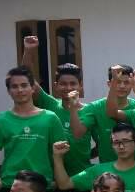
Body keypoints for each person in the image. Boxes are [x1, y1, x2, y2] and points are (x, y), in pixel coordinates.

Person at [0, 66, 67, 192]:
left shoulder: (50, 118)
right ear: (9, 91)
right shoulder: (1, 120)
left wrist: (58, 179)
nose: (20, 90)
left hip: (42, 185)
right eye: (14, 86)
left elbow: (60, 153)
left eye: (24, 85)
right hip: (11, 186)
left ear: (32, 88)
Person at [22, 35, 90, 177]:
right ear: (56, 86)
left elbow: (102, 143)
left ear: (80, 86)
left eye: (73, 84)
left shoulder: (90, 111)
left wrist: (86, 155)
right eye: (63, 84)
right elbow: (28, 78)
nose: (68, 88)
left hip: (81, 177)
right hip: (53, 178)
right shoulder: (50, 105)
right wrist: (28, 50)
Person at [73, 63, 135, 164]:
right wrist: (72, 109)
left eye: (126, 82)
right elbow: (77, 134)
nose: (122, 86)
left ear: (132, 83)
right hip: (106, 167)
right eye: (117, 82)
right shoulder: (95, 107)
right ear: (109, 83)